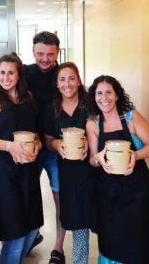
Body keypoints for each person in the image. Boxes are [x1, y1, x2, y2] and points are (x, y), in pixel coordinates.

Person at [0, 53, 44, 263]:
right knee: (14, 233)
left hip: (28, 170)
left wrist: (38, 145)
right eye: (2, 73)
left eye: (10, 73)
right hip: (3, 173)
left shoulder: (28, 98)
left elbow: (36, 133)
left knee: (33, 226)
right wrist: (9, 146)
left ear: (19, 76)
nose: (5, 77)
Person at [86, 75, 149, 264]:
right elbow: (92, 160)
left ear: (117, 95)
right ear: (94, 97)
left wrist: (136, 155)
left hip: (136, 189)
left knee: (138, 236)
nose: (104, 97)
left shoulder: (132, 117)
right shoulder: (93, 124)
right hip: (107, 191)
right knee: (111, 239)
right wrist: (98, 158)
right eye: (99, 93)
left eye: (109, 92)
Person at [44, 62, 96, 264]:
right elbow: (47, 140)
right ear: (57, 84)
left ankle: (107, 256)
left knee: (95, 216)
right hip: (67, 172)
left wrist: (90, 145)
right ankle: (79, 261)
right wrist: (56, 143)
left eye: (72, 78)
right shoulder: (52, 109)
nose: (67, 84)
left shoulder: (90, 104)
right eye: (62, 79)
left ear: (79, 81)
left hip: (91, 168)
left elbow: (104, 130)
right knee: (75, 218)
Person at [23, 31, 65, 261]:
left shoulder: (64, 74)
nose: (45, 59)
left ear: (57, 52)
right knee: (27, 195)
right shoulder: (25, 73)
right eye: (40, 53)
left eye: (50, 54)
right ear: (33, 52)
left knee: (61, 199)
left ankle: (58, 249)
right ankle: (30, 236)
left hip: (57, 148)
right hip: (30, 147)